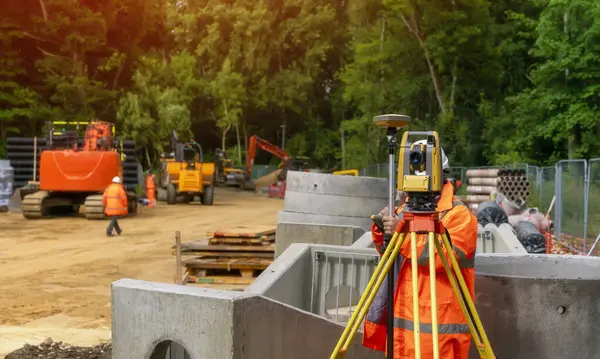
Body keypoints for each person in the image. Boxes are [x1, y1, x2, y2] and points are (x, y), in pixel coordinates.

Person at [363, 140, 478, 359]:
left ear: (441, 174)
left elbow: (443, 256)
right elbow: (390, 256)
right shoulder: (404, 211)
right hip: (402, 331)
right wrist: (383, 232)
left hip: (437, 334)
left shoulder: (458, 216)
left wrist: (402, 233)